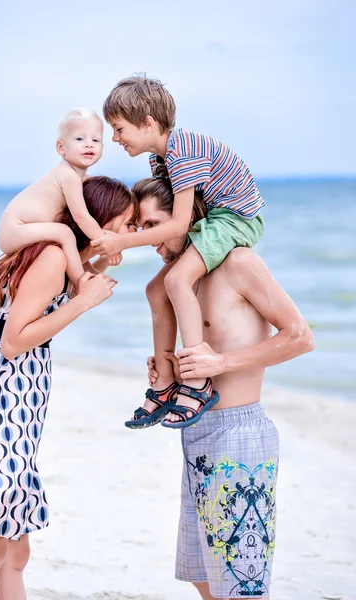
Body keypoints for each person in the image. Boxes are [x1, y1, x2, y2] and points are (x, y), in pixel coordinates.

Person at [131, 174, 314, 598]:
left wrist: (220, 362)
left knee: (242, 585)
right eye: (140, 230)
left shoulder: (239, 262)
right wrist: (173, 371)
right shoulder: (183, 280)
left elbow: (300, 336)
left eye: (153, 225)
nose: (149, 240)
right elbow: (208, 354)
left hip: (240, 434)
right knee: (202, 574)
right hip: (197, 433)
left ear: (185, 216)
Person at [0, 176, 137, 600]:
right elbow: (14, 340)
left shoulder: (63, 257)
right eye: (127, 224)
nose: (133, 234)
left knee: (14, 551)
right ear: (97, 220)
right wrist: (82, 303)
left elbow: (80, 280)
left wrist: (101, 264)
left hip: (13, 396)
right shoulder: (54, 257)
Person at [92, 75, 265, 427]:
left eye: (119, 128)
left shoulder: (181, 153)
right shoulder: (162, 160)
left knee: (177, 282)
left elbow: (177, 225)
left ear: (148, 123)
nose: (115, 138)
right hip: (212, 218)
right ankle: (166, 381)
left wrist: (122, 242)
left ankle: (197, 379)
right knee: (155, 288)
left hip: (235, 218)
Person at [0, 108, 121, 291]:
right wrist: (107, 244)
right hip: (15, 229)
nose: (89, 145)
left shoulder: (82, 179)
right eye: (80, 139)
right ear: (60, 147)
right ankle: (80, 283)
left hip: (24, 229)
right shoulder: (68, 175)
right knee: (64, 232)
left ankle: (90, 274)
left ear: (102, 147)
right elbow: (81, 217)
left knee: (69, 237)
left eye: (95, 140)